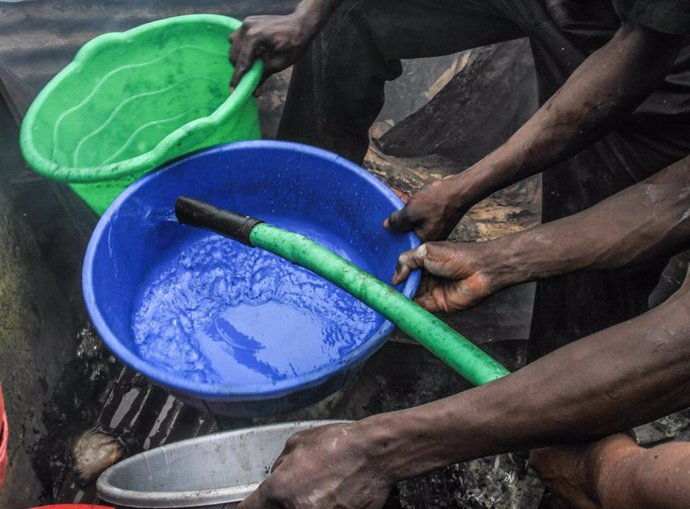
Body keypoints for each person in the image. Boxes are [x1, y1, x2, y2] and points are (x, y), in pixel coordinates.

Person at [228, 0, 690, 507]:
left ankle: (556, 452)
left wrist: (377, 450)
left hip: (657, 68)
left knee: (577, 374)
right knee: (350, 14)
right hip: (592, 10)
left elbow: (677, 342)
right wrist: (502, 261)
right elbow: (677, 196)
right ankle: (305, 221)